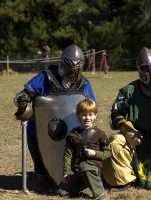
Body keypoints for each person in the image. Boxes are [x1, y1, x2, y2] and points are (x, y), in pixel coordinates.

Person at [14, 44, 96, 179]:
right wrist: (22, 99)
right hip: (45, 128)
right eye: (69, 68)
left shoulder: (84, 84)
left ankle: (74, 169)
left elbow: (91, 107)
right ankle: (42, 170)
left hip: (72, 128)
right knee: (32, 130)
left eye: (75, 69)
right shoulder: (46, 78)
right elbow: (21, 96)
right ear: (62, 64)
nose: (72, 72)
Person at [103, 47, 151, 190]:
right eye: (147, 68)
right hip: (140, 139)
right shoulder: (130, 90)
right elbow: (115, 114)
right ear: (140, 70)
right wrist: (127, 129)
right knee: (116, 142)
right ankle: (124, 179)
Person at [57, 98, 111, 200]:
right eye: (84, 115)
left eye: (90, 115)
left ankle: (100, 194)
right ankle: (87, 188)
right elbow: (68, 154)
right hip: (77, 170)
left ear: (95, 115)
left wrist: (95, 154)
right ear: (78, 116)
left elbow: (108, 153)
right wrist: (67, 172)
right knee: (62, 192)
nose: (87, 118)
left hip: (93, 169)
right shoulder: (74, 133)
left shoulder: (100, 134)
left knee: (85, 166)